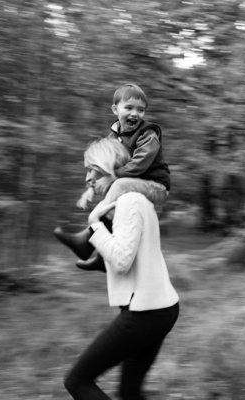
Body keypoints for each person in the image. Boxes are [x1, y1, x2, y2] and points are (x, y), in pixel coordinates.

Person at [63, 137, 180, 400]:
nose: (87, 178)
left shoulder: (128, 202)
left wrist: (94, 225)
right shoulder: (131, 201)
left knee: (77, 381)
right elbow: (125, 259)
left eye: (93, 169)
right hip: (158, 308)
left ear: (109, 167)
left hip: (146, 313)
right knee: (129, 393)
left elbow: (122, 260)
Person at [54, 83, 171, 271]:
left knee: (118, 185)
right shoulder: (113, 136)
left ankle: (88, 240)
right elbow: (102, 162)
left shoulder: (147, 134)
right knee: (118, 188)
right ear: (115, 109)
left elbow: (141, 162)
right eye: (129, 108)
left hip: (156, 186)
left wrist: (113, 177)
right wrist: (90, 188)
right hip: (133, 183)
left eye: (141, 110)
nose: (135, 114)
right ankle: (101, 254)